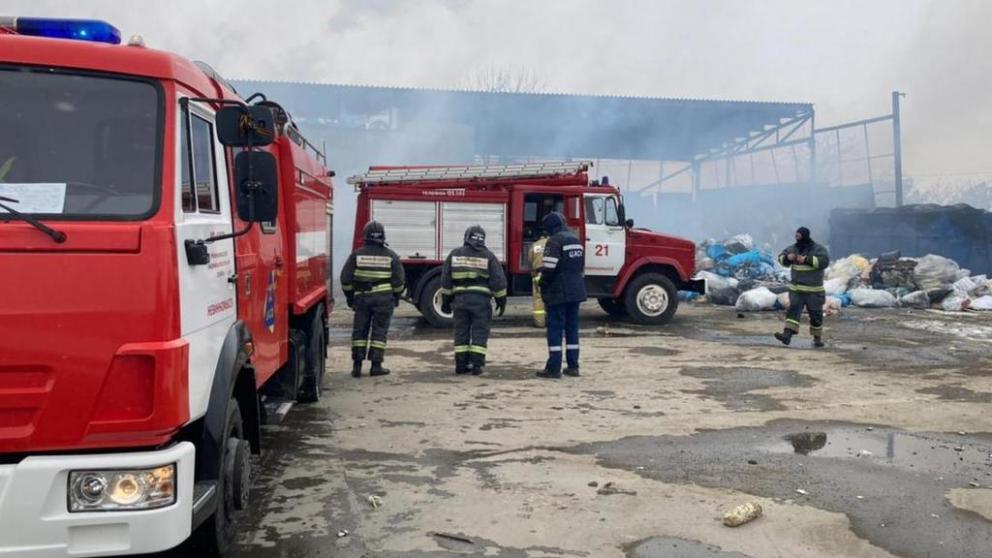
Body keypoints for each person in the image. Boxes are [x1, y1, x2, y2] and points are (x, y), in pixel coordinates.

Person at [340, 221, 405, 377]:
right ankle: (376, 366)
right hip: (384, 300)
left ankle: (357, 366)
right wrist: (395, 297)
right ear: (383, 237)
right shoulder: (391, 256)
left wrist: (350, 297)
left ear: (366, 236)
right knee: (379, 332)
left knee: (359, 331)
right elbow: (399, 283)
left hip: (362, 299)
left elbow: (345, 279)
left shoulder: (356, 255)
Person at [441, 225, 507, 376]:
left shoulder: (455, 254)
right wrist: (501, 300)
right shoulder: (489, 256)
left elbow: (446, 280)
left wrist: (446, 301)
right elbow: (499, 281)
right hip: (481, 301)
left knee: (461, 331)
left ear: (467, 237)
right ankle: (477, 366)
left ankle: (461, 365)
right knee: (480, 332)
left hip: (460, 301)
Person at [536, 212, 586, 379]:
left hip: (559, 291)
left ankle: (554, 368)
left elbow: (550, 267)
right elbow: (580, 266)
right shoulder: (575, 241)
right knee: (572, 328)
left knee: (555, 328)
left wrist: (541, 282)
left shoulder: (554, 241)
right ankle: (573, 366)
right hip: (576, 290)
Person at [774, 226, 830, 348]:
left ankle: (817, 338)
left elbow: (824, 262)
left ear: (805, 236)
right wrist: (787, 258)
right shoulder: (793, 248)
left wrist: (806, 259)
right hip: (797, 290)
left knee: (816, 315)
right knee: (793, 312)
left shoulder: (818, 249)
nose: (797, 238)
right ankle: (787, 336)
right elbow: (781, 258)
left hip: (814, 291)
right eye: (796, 236)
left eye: (799, 236)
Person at [529, 231, 549, 328]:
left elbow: (530, 259)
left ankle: (540, 323)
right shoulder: (553, 243)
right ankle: (553, 321)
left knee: (538, 299)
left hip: (538, 275)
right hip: (551, 274)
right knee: (552, 298)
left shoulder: (535, 245)